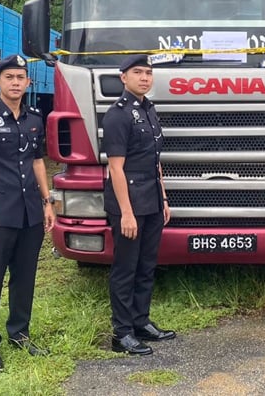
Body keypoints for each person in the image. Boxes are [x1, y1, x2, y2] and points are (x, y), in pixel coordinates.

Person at [0, 54, 55, 372]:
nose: (16, 83)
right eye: (9, 77)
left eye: (20, 77)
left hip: (29, 212)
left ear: (28, 82)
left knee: (25, 277)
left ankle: (19, 333)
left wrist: (47, 201)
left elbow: (37, 161)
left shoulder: (34, 118)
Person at [103, 53, 176, 356]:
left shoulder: (149, 110)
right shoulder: (117, 115)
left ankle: (140, 321)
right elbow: (116, 168)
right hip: (129, 204)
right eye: (138, 72)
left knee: (146, 266)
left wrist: (164, 198)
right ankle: (121, 333)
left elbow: (154, 160)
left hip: (152, 201)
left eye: (148, 73)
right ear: (124, 77)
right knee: (126, 268)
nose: (144, 78)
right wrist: (126, 213)